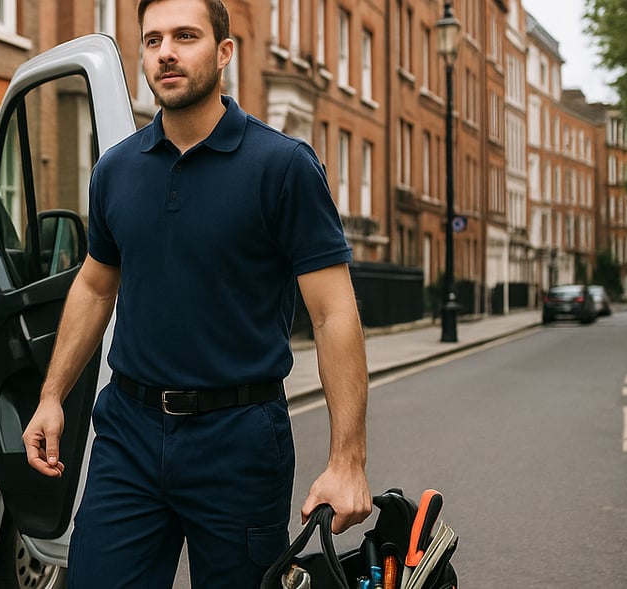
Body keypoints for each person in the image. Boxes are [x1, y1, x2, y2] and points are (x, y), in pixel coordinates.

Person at [19, 0, 371, 586]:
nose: (167, 52)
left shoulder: (282, 166)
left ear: (224, 52)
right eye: (153, 40)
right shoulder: (115, 170)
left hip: (239, 440)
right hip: (128, 433)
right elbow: (95, 283)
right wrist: (52, 395)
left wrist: (347, 460)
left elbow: (335, 314)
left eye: (185, 36)